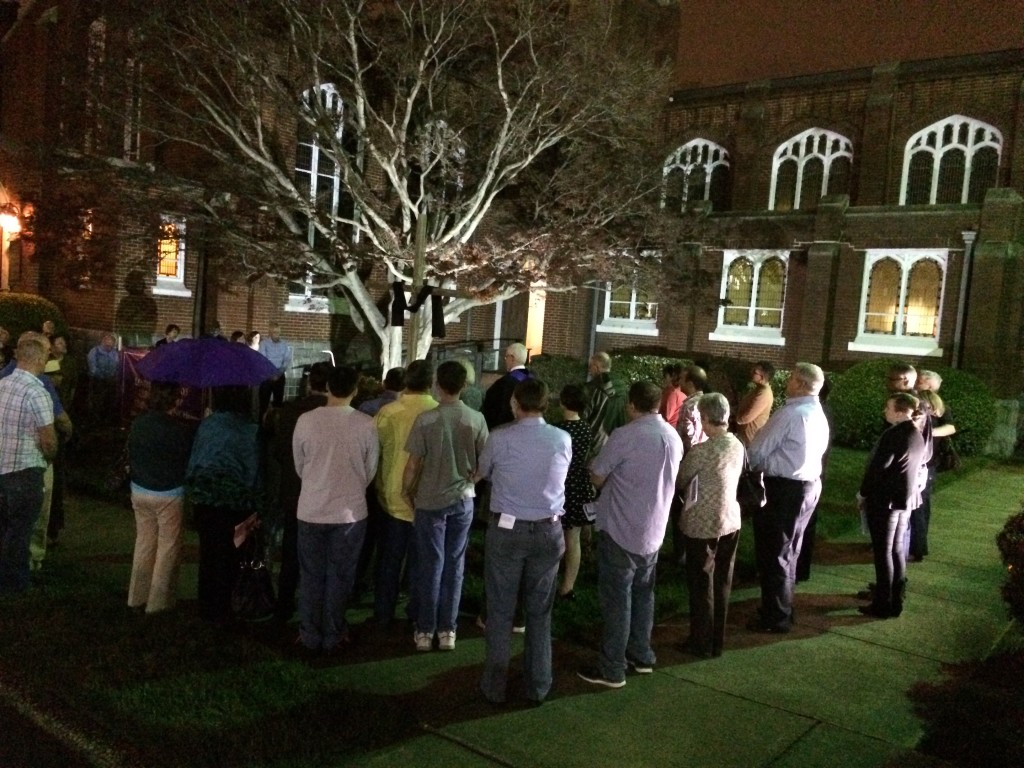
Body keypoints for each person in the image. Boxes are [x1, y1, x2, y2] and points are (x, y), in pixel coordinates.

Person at [577, 381, 683, 688]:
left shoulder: (626, 435)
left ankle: (612, 666)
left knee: (617, 598)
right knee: (643, 594)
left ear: (632, 405)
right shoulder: (672, 436)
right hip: (654, 528)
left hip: (622, 527)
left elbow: (597, 476)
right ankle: (641, 653)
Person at [478, 378, 571, 705]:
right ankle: (539, 685)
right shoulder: (562, 438)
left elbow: (483, 472)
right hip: (548, 530)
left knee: (501, 611)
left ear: (516, 403)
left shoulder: (500, 437)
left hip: (507, 530)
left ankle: (494, 686)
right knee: (540, 612)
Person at [402, 360, 488, 651]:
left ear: (438, 384)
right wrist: (472, 479)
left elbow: (413, 464)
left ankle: (425, 630)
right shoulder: (476, 419)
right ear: (464, 386)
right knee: (455, 563)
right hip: (462, 499)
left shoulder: (426, 420)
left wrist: (405, 491)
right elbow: (486, 463)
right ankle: (448, 630)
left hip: (428, 499)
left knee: (431, 565)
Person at [292, 366, 378, 653]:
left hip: (311, 508)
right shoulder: (366, 424)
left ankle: (309, 633)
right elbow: (370, 470)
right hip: (350, 512)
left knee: (311, 574)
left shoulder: (306, 421)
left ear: (327, 387)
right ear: (355, 390)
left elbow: (299, 464)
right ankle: (333, 632)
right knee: (340, 575)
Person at [746, 363, 830, 634]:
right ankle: (782, 607)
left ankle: (775, 616)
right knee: (790, 550)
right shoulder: (816, 411)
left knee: (775, 553)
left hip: (784, 489)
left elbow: (757, 451)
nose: (787, 381)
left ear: (801, 384)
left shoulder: (791, 414)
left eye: (792, 378)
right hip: (808, 486)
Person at [677, 393, 744, 658]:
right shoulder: (736, 444)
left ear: (705, 418)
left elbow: (681, 480)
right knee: (722, 582)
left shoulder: (702, 451)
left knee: (701, 584)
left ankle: (700, 642)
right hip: (730, 520)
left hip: (702, 524)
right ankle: (717, 639)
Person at [186, 386, 261, 623]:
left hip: (206, 500)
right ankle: (226, 608)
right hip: (235, 503)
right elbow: (253, 470)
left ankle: (207, 606)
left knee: (209, 554)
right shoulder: (249, 430)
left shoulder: (207, 425)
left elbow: (196, 460)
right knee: (231, 557)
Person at [264, 361, 331, 622]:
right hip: (325, 494)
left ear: (309, 382)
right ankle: (316, 608)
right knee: (322, 555)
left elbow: (281, 452)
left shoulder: (292, 411)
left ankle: (284, 604)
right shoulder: (338, 413)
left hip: (294, 491)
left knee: (292, 551)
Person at [373, 359, 437, 628]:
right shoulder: (438, 412)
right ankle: (417, 612)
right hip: (428, 499)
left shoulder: (389, 412)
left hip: (391, 496)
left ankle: (383, 613)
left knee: (389, 560)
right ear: (431, 382)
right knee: (423, 563)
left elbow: (373, 449)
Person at [126, 382, 195, 613]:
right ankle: (158, 602)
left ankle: (137, 596)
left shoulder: (139, 424)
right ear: (174, 400)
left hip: (140, 489)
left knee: (144, 542)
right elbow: (185, 460)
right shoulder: (178, 430)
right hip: (168, 493)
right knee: (167, 548)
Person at [857, 393, 926, 618]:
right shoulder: (915, 433)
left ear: (899, 411)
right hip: (903, 500)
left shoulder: (894, 435)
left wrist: (863, 493)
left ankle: (882, 603)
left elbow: (878, 468)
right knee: (896, 550)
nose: (884, 411)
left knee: (883, 552)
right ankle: (896, 599)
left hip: (885, 501)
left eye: (887, 407)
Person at [0, 335, 58, 595]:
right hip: (25, 472)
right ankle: (15, 584)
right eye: (47, 354)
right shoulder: (38, 392)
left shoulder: (2, 384)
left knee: (5, 527)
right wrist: (50, 457)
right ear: (38, 358)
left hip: (2, 467)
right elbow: (48, 441)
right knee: (21, 530)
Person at [555, 383, 595, 600]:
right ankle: (568, 586)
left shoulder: (557, 429)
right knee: (574, 538)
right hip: (579, 483)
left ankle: (550, 578)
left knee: (555, 536)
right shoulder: (586, 428)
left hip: (560, 483)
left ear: (562, 402)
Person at [581, 352, 627, 459]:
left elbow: (583, 416)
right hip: (617, 441)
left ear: (596, 367)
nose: (589, 370)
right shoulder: (623, 387)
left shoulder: (590, 389)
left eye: (590, 366)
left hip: (595, 443)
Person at [481, 342, 532, 429]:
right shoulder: (535, 381)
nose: (505, 360)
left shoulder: (503, 383)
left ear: (512, 358)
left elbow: (491, 409)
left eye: (506, 357)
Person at [734, 361, 774, 446]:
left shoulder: (764, 393)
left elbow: (747, 417)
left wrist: (735, 419)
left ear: (763, 376)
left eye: (755, 372)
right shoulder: (758, 389)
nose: (751, 372)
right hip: (744, 437)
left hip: (749, 440)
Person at [258, 324, 293, 411]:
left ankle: (276, 422)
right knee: (264, 403)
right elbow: (263, 359)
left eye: (277, 332)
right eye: (274, 332)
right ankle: (262, 423)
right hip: (267, 375)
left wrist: (279, 373)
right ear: (270, 332)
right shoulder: (264, 344)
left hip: (279, 374)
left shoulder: (284, 344)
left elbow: (287, 359)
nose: (276, 334)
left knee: (278, 402)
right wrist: (270, 373)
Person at [87, 332, 119, 421]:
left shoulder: (114, 353)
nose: (110, 343)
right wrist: (103, 376)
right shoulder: (94, 351)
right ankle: (94, 420)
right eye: (108, 340)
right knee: (97, 401)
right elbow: (93, 367)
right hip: (98, 381)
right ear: (103, 341)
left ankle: (106, 419)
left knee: (109, 401)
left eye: (112, 341)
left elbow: (117, 366)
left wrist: (113, 376)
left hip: (110, 381)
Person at [658, 362, 686, 428]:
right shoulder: (682, 394)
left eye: (665, 376)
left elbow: (665, 417)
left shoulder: (672, 394)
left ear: (672, 376)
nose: (663, 379)